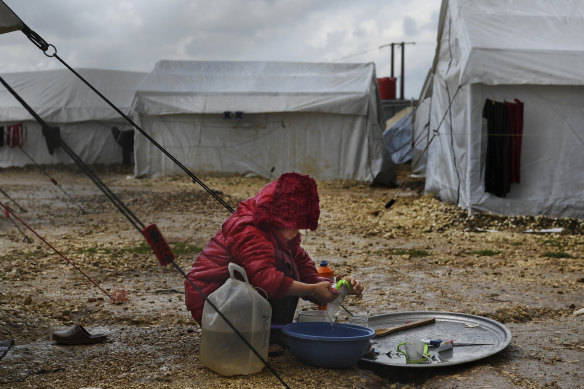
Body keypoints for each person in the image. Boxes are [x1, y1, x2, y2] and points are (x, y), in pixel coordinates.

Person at [184, 172, 363, 352]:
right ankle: (257, 335)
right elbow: (264, 278)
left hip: (237, 298)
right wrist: (311, 289)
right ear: (277, 217)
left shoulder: (285, 238)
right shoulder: (248, 229)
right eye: (293, 225)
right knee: (281, 264)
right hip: (212, 299)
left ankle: (268, 333)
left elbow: (307, 276)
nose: (296, 232)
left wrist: (337, 288)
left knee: (290, 263)